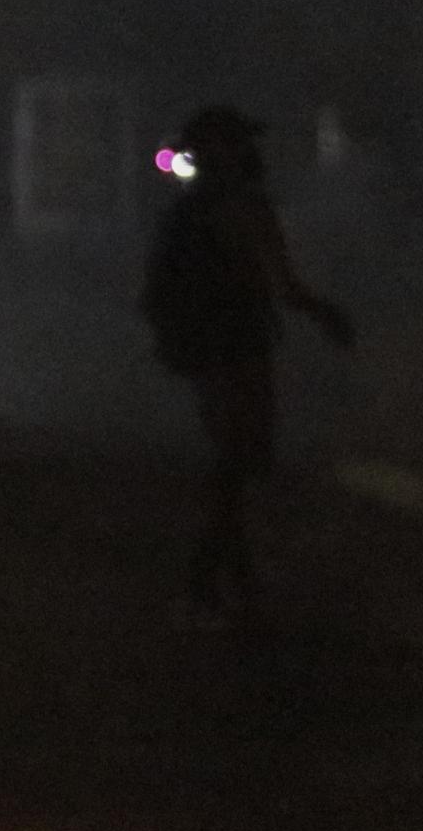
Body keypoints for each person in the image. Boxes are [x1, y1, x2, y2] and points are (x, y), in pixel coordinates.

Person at [140, 104, 356, 626]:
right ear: (225, 148)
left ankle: (237, 585)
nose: (251, 150)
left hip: (199, 349)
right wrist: (327, 315)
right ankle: (202, 587)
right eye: (239, 141)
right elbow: (282, 285)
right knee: (238, 462)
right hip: (238, 347)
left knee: (228, 460)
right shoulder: (245, 207)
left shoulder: (188, 211)